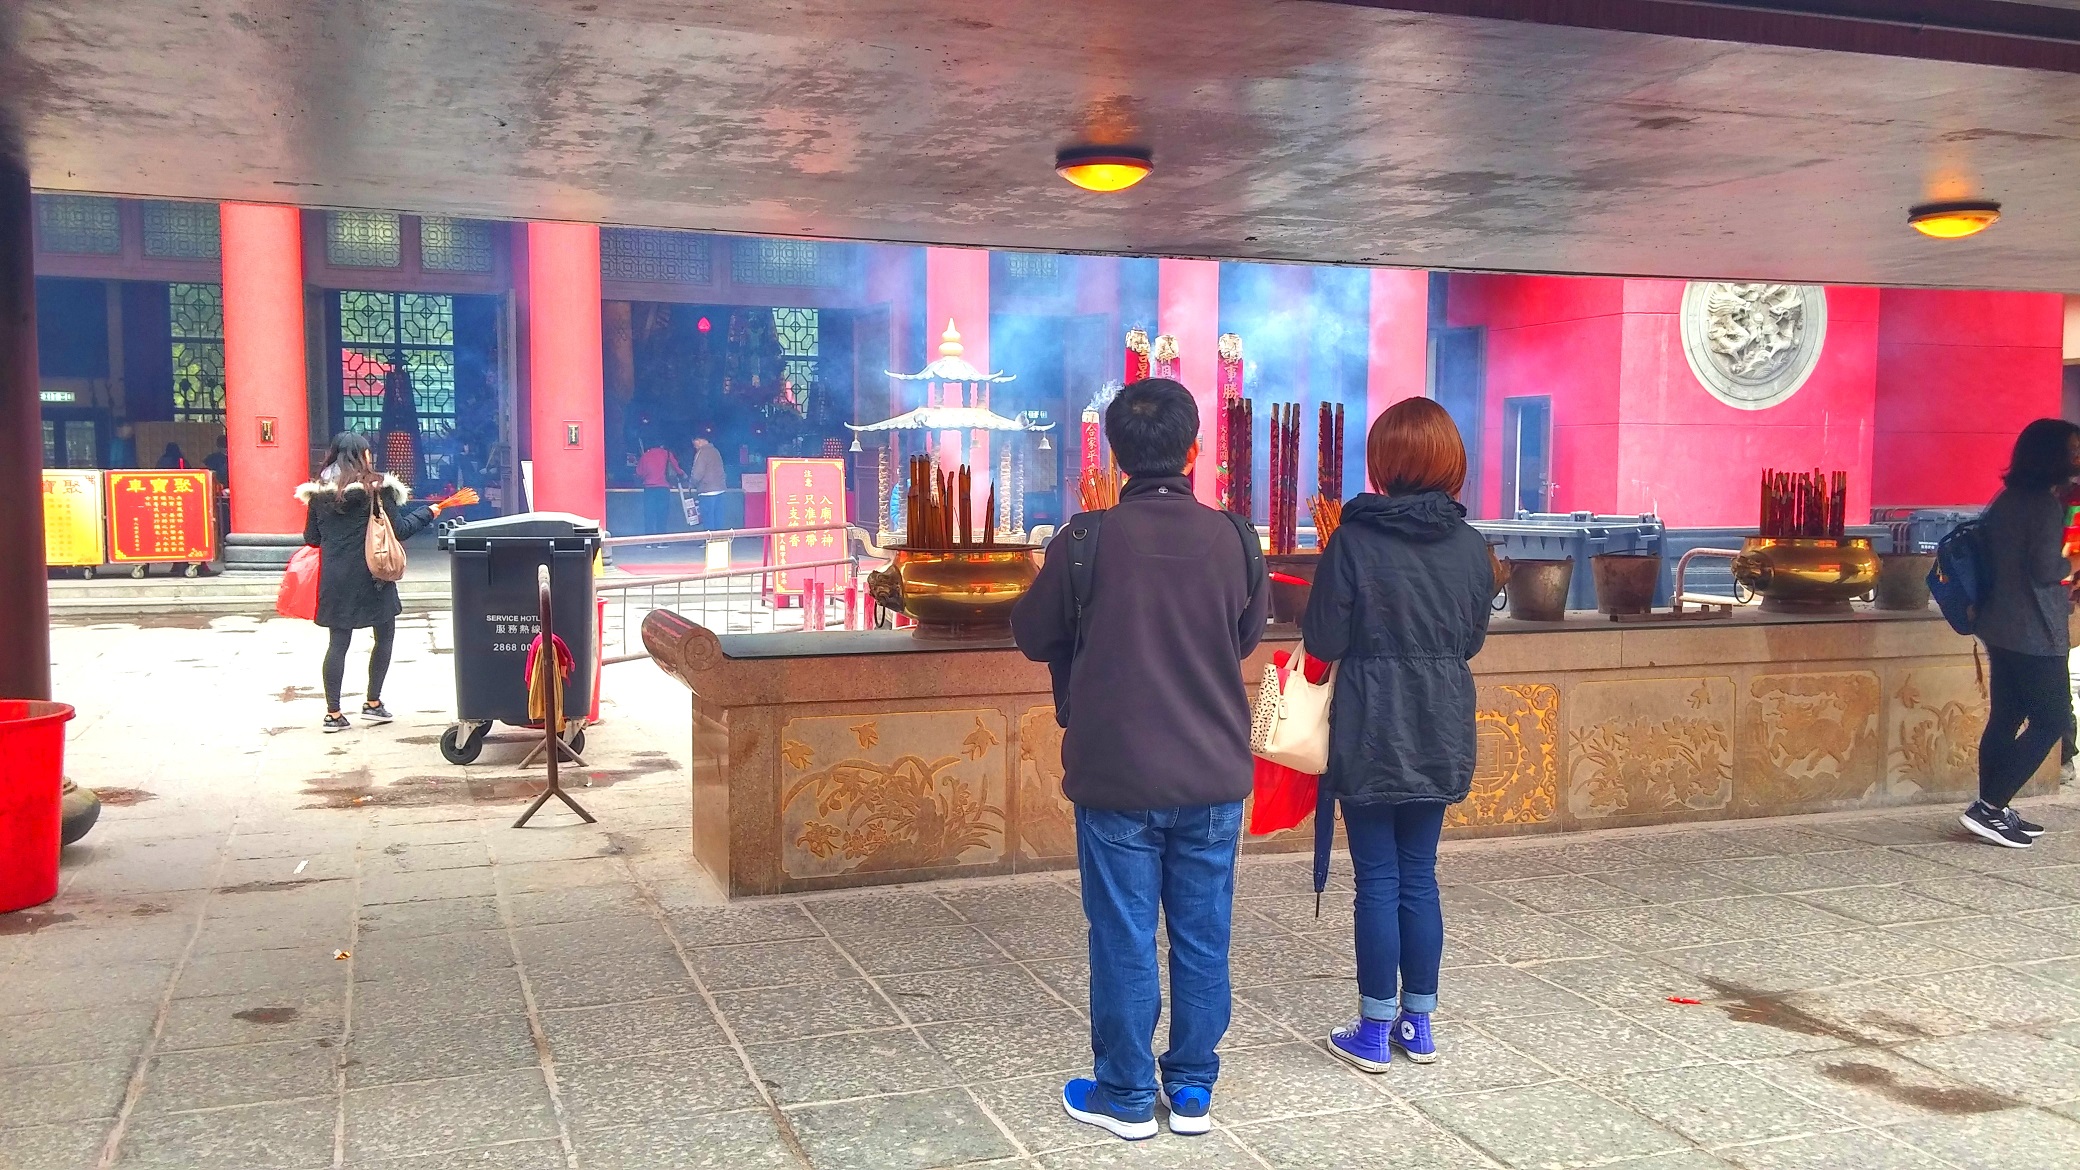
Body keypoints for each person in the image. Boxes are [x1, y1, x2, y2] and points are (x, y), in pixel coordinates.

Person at [1011, 377, 1268, 1141]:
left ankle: (1124, 1096)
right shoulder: (1235, 538)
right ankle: (1191, 1090)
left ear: (1117, 455)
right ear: (1193, 451)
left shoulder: (1084, 542)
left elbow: (1031, 635)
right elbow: (1246, 637)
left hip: (1118, 777)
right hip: (1213, 775)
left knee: (1122, 934)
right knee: (1202, 933)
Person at [1300, 397, 1494, 1071]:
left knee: (1377, 877)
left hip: (1370, 724)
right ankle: (1420, 1025)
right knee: (1421, 875)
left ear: (1384, 463)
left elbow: (1323, 637)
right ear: (1450, 461)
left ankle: (1374, 1030)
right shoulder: (1472, 547)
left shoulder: (1353, 541)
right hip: (1440, 722)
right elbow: (1470, 641)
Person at [298, 432, 476, 734]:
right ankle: (372, 703)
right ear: (363, 456)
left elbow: (311, 538)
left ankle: (333, 713)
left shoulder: (318, 495)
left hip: (335, 578)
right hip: (374, 574)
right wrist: (430, 511)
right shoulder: (377, 489)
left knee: (338, 643)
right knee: (384, 637)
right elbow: (401, 529)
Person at [1962, 418, 2080, 847]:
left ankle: (1993, 808)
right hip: (2035, 632)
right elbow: (2047, 569)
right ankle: (1989, 806)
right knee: (2052, 720)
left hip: (2000, 625)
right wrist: (2076, 563)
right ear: (2051, 456)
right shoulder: (2046, 506)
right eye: (2071, 450)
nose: (2076, 458)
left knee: (2007, 717)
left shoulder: (2008, 498)